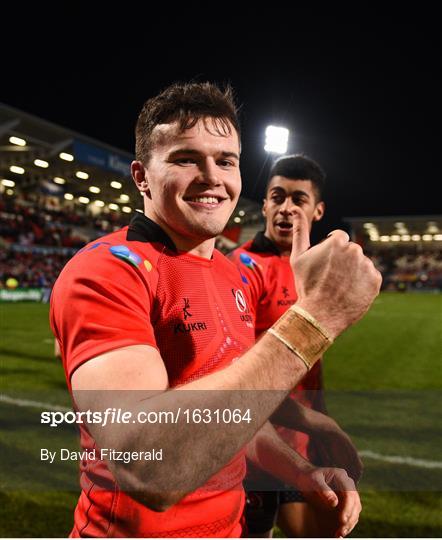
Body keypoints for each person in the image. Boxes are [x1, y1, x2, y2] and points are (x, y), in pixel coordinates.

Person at [49, 82, 381, 537]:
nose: (212, 176)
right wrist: (314, 321)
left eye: (226, 161)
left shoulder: (230, 275)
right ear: (142, 176)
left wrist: (302, 472)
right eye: (186, 159)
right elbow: (149, 466)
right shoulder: (107, 271)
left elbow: (228, 422)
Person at [230, 154, 362, 537]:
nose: (286, 208)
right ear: (266, 204)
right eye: (278, 196)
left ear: (318, 210)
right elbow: (235, 371)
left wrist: (320, 422)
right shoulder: (240, 267)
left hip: (305, 443)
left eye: (298, 199)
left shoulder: (320, 273)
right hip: (252, 445)